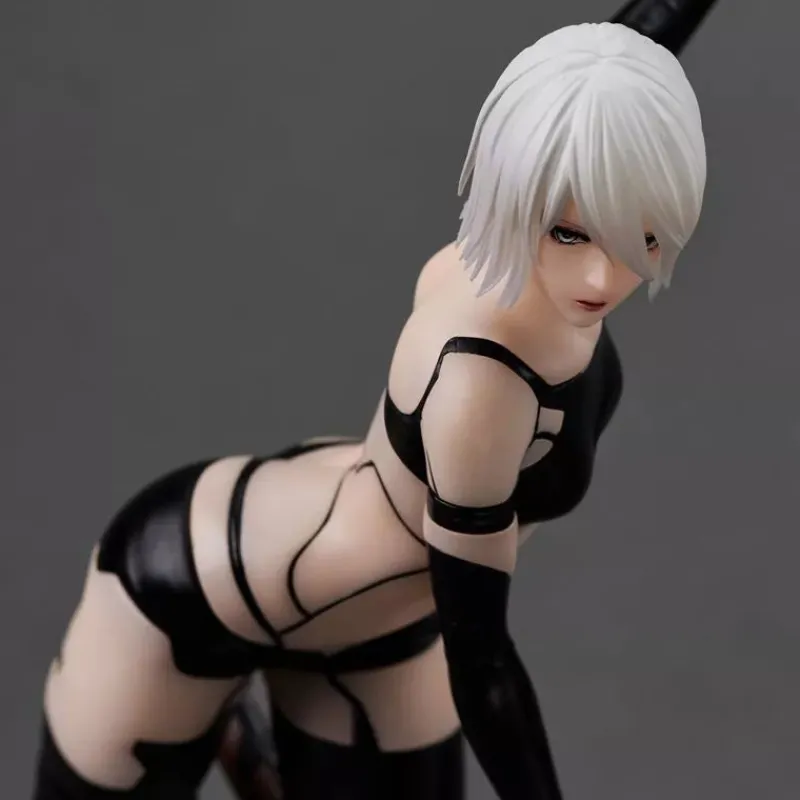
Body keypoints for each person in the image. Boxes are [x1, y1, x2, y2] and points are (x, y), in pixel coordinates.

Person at [31, 1, 719, 798]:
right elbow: (482, 657)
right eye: (569, 234)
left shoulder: (553, 208)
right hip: (191, 591)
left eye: (639, 234)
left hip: (381, 626)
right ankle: (228, 726)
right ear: (515, 183)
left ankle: (243, 740)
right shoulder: (484, 386)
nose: (602, 276)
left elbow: (613, 66)